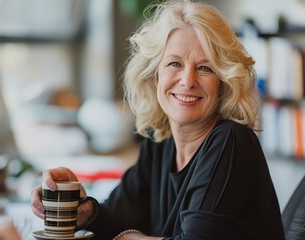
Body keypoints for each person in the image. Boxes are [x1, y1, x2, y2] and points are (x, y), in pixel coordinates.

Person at [31, 0, 285, 239]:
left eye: (205, 67)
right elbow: (115, 216)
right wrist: (77, 207)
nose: (187, 80)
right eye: (174, 63)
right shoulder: (161, 141)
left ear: (222, 83)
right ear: (154, 77)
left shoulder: (230, 142)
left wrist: (129, 238)